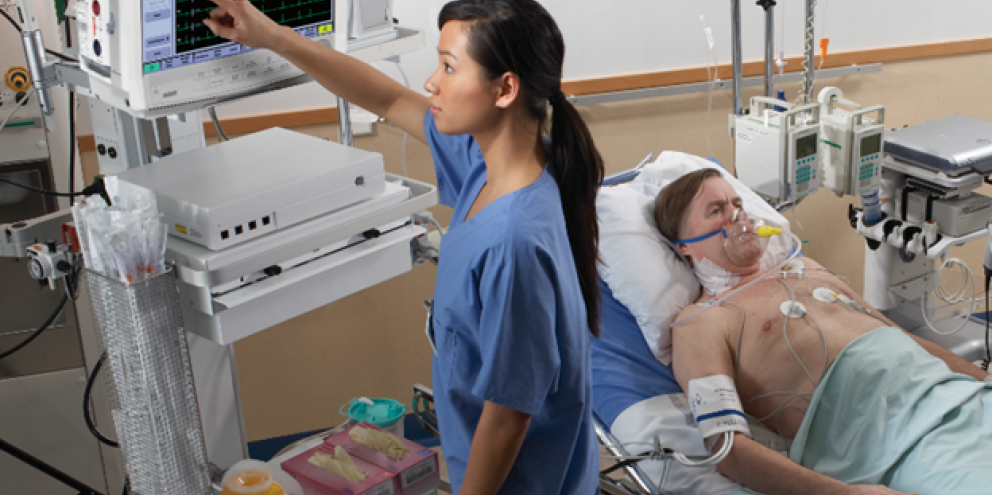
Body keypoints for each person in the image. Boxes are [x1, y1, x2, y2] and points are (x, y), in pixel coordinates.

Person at [203, 1, 603, 493]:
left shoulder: (514, 240)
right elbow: (388, 99)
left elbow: (508, 418)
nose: (431, 81)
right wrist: (272, 36)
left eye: (449, 67)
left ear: (505, 89)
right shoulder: (494, 162)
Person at [654, 168, 992, 495]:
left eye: (737, 204)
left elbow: (901, 337)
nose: (737, 216)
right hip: (901, 445)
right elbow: (728, 451)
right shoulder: (700, 321)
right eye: (717, 210)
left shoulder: (807, 269)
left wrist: (982, 382)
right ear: (683, 245)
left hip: (961, 399)